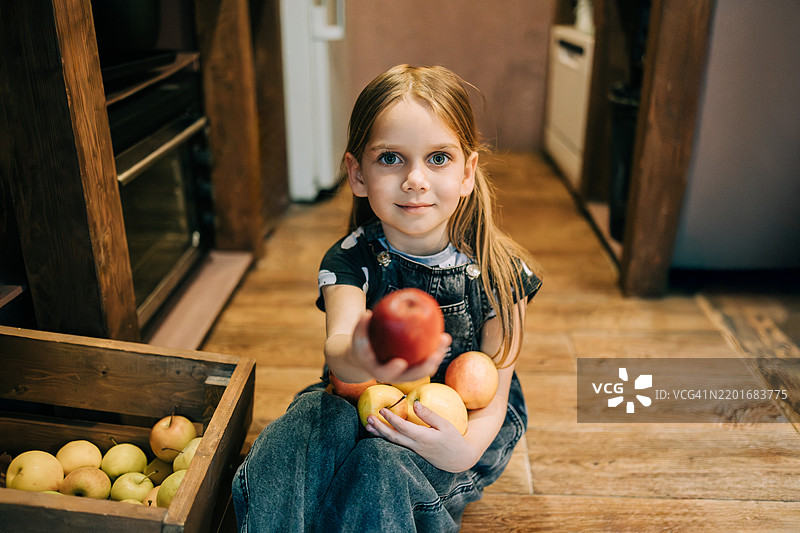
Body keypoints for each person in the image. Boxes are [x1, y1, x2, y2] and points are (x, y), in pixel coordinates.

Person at [232, 64, 542, 532]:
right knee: (297, 429)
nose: (415, 179)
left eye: (438, 158)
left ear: (467, 172)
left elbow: (493, 397)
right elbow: (338, 350)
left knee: (378, 465)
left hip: (453, 430)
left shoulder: (500, 272)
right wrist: (363, 353)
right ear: (357, 174)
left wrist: (464, 450)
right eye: (391, 158)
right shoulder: (350, 260)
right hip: (366, 402)